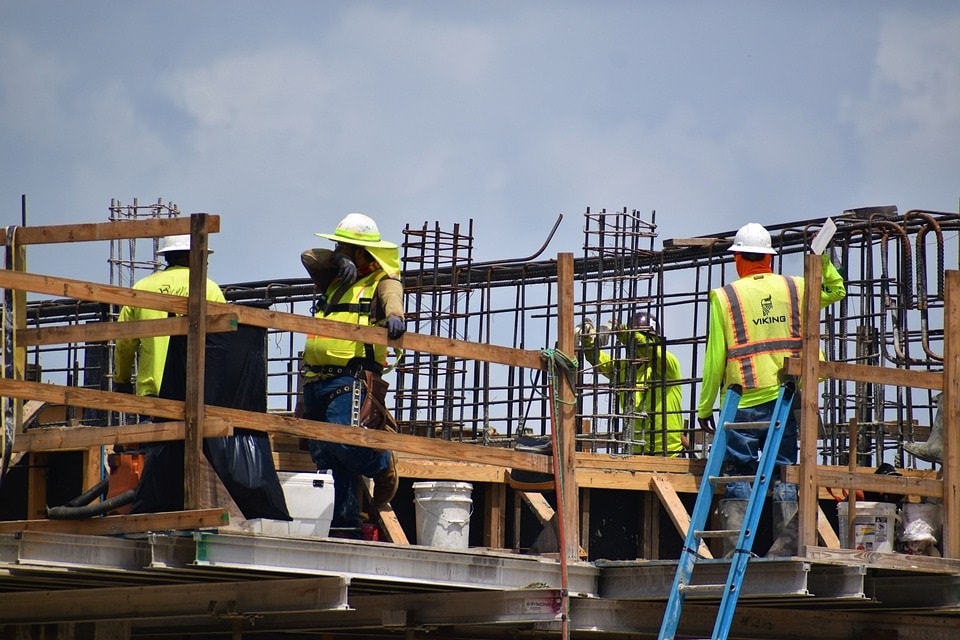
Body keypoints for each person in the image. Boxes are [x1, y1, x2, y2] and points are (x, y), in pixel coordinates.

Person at [696, 222, 845, 556]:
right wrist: (822, 258)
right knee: (785, 470)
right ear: (769, 258)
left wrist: (705, 408)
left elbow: (714, 359)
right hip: (785, 397)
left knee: (738, 472)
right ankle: (786, 547)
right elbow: (836, 291)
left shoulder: (725, 297)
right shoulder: (796, 288)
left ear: (738, 259)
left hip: (744, 399)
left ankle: (736, 549)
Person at [300, 212, 406, 535]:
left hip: (351, 377)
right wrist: (338, 259)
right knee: (324, 453)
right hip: (316, 378)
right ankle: (345, 524)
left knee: (344, 443)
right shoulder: (336, 279)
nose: (340, 250)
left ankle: (383, 464)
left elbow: (394, 301)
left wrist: (395, 319)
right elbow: (307, 256)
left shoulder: (382, 281)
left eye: (346, 246)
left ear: (363, 251)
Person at [114, 234, 226, 399]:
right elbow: (225, 340)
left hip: (152, 393)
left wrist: (122, 379)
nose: (206, 261)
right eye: (202, 255)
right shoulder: (209, 289)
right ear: (188, 255)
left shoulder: (141, 288)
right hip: (196, 391)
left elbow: (124, 343)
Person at [576, 311, 686, 456]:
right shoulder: (624, 369)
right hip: (635, 455)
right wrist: (588, 340)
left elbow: (650, 349)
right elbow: (596, 359)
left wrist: (623, 330)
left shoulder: (669, 367)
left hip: (669, 455)